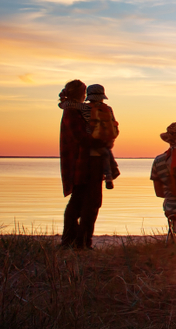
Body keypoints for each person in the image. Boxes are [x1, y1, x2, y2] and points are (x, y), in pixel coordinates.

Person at [57, 79, 106, 249]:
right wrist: (100, 141)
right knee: (85, 203)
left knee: (84, 202)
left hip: (87, 162)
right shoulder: (72, 111)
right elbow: (81, 138)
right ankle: (76, 241)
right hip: (82, 163)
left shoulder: (79, 110)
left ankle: (78, 241)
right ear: (81, 93)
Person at [85, 84, 120, 189]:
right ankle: (110, 175)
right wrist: (110, 139)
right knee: (106, 153)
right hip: (103, 143)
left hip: (90, 147)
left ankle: (110, 175)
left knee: (105, 154)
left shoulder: (84, 108)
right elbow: (114, 126)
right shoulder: (107, 109)